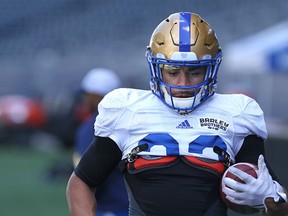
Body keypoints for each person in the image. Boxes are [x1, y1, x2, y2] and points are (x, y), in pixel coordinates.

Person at [66, 12, 287, 216]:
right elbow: (81, 182)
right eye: (172, 72)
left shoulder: (237, 114)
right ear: (156, 68)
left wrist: (270, 201)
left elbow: (280, 205)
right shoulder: (127, 110)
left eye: (195, 72)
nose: (183, 83)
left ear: (211, 69)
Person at [72, 68, 129, 216]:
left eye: (87, 95)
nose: (84, 99)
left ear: (95, 95)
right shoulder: (131, 122)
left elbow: (89, 176)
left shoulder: (92, 126)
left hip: (109, 207)